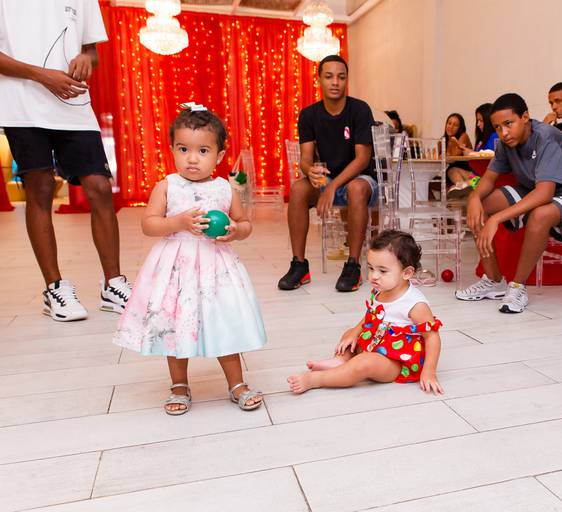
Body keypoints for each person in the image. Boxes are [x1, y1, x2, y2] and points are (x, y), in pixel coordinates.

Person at [113, 105, 267, 415]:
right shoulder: (167, 186)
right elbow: (149, 224)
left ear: (219, 156)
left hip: (216, 269)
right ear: (172, 150)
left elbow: (245, 224)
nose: (192, 158)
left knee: (223, 321)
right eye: (183, 149)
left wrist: (235, 231)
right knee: (174, 325)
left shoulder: (224, 189)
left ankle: (236, 383)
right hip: (176, 269)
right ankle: (179, 385)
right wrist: (178, 222)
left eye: (203, 150)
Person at [0, 0, 130, 321]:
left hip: (73, 103)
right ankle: (54, 288)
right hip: (22, 106)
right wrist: (41, 75)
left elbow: (91, 51)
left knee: (100, 187)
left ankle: (113, 285)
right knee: (41, 188)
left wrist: (86, 59)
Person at [455, 93, 562, 313]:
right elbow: (489, 179)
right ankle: (494, 280)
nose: (504, 133)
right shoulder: (505, 143)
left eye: (508, 123)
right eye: (497, 127)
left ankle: (517, 287)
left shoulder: (546, 137)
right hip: (537, 187)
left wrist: (496, 219)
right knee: (481, 205)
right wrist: (474, 198)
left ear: (525, 117)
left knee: (540, 215)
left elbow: (544, 194)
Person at [287, 230, 444, 394]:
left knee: (364, 363)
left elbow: (432, 338)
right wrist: (355, 332)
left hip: (395, 360)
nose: (374, 276)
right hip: (377, 341)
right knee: (349, 334)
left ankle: (316, 379)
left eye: (382, 271)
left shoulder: (415, 304)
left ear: (406, 273)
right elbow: (371, 317)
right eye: (371, 268)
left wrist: (429, 372)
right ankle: (340, 361)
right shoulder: (381, 289)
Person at [279, 55, 376, 293]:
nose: (335, 82)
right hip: (328, 178)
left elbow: (362, 159)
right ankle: (299, 266)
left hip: (361, 179)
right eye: (329, 76)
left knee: (355, 188)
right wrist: (310, 171)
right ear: (319, 80)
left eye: (341, 77)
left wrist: (332, 187)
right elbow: (305, 159)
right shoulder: (309, 115)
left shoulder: (360, 110)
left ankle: (353, 266)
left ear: (347, 80)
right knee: (298, 188)